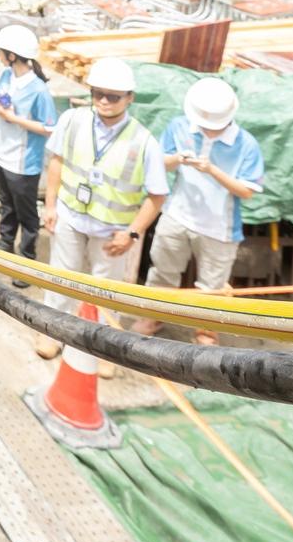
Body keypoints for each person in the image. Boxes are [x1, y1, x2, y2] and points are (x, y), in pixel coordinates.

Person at [34, 57, 168, 370]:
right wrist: (51, 205)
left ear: (130, 98)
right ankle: (51, 333)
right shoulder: (73, 120)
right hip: (71, 216)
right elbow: (57, 161)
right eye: (98, 94)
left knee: (105, 290)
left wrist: (132, 233)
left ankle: (101, 348)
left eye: (113, 96)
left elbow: (157, 195)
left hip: (112, 230)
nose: (104, 102)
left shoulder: (144, 142)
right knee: (61, 277)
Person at [133, 78, 264, 346]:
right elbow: (162, 164)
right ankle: (154, 315)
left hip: (220, 227)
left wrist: (213, 170)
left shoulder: (246, 144)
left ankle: (205, 329)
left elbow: (247, 191)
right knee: (163, 271)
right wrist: (178, 158)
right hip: (177, 214)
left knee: (212, 286)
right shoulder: (179, 126)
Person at [0, 25, 57, 284]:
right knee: (7, 203)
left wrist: (12, 118)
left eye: (1, 51)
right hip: (0, 152)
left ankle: (26, 260)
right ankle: (6, 242)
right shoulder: (6, 75)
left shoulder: (38, 90)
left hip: (22, 161)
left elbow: (49, 127)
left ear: (12, 55)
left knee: (26, 214)